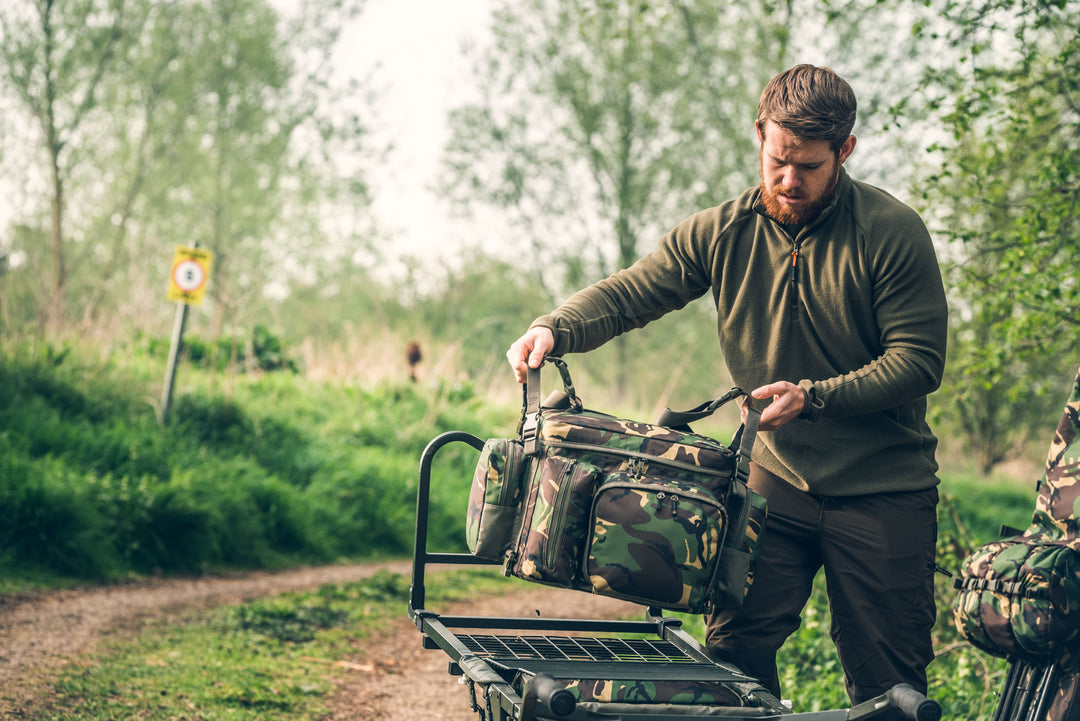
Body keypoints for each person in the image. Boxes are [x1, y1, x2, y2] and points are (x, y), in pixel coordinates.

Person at [505, 64, 948, 714]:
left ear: (845, 151)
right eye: (777, 160)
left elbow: (918, 361)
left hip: (884, 493)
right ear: (760, 137)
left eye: (808, 166)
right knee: (731, 662)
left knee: (891, 688)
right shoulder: (724, 230)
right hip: (773, 483)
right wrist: (555, 328)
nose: (788, 180)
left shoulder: (890, 232)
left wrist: (814, 397)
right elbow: (636, 289)